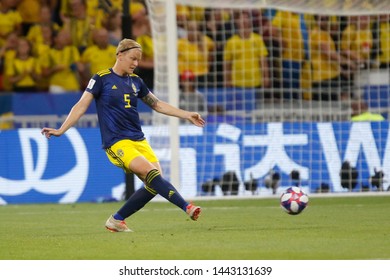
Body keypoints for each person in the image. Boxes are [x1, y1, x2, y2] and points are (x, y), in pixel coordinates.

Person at [41, 38, 205, 232]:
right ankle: (187, 207)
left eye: (138, 60)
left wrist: (186, 114)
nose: (136, 63)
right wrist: (62, 129)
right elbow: (81, 105)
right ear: (120, 55)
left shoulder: (136, 82)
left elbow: (158, 104)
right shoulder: (101, 78)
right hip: (117, 141)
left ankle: (117, 220)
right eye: (133, 58)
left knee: (155, 183)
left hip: (139, 140)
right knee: (151, 174)